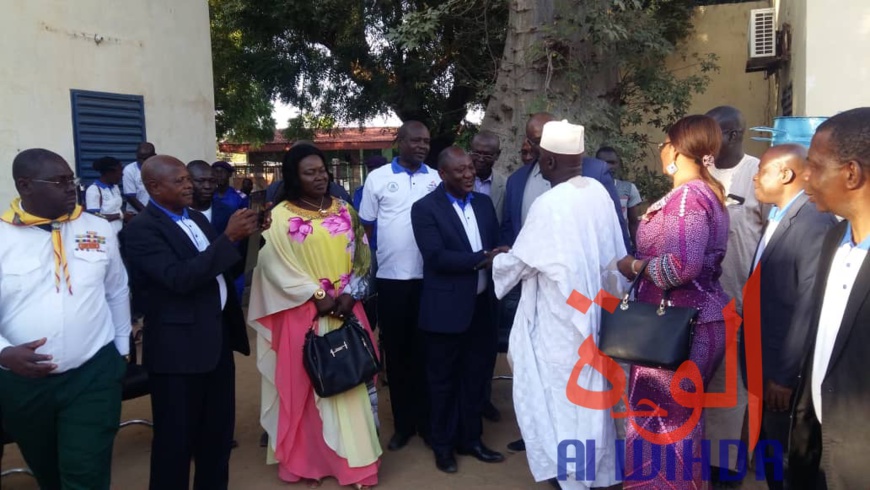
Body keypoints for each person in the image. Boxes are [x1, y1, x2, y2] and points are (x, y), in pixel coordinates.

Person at [493, 120, 626, 489]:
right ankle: (600, 472)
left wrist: (496, 261)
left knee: (562, 399)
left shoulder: (548, 204)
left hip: (561, 323)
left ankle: (571, 476)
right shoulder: (598, 192)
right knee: (594, 396)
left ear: (547, 161)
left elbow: (519, 263)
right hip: (598, 315)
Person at [248, 143, 381, 489]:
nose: (320, 177)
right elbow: (272, 266)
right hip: (303, 314)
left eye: (322, 170)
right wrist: (317, 294)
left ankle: (355, 466)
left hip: (348, 311)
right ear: (294, 176)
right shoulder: (278, 218)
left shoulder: (345, 210)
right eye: (310, 172)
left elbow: (364, 257)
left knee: (351, 382)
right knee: (309, 388)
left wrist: (352, 292)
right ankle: (309, 462)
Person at [124, 155, 260, 490]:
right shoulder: (141, 230)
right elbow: (178, 279)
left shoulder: (197, 219)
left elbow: (220, 268)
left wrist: (247, 237)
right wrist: (228, 239)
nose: (189, 186)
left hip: (215, 343)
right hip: (178, 354)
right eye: (180, 180)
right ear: (154, 187)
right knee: (175, 444)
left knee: (216, 440)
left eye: (189, 179)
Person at [0, 149, 130, 490]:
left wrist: (119, 351)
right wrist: (3, 353)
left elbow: (117, 290)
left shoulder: (98, 227)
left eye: (71, 179)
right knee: (48, 471)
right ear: (25, 185)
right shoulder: (2, 236)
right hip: (23, 384)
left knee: (85, 473)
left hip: (93, 374)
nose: (71, 187)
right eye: (59, 182)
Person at [616, 114, 730, 486]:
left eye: (665, 142)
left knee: (662, 423)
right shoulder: (707, 193)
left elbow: (682, 266)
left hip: (675, 328)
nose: (662, 149)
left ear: (676, 150)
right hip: (695, 321)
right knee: (679, 420)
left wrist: (633, 265)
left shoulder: (686, 199)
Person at [746, 144, 837, 490]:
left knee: (789, 464)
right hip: (764, 362)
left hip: (784, 377)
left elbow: (808, 304)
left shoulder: (812, 222)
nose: (754, 177)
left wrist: (784, 376)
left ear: (785, 174)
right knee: (772, 452)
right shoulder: (779, 215)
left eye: (762, 171)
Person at [789, 107, 870, 490]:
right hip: (817, 451)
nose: (806, 176)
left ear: (851, 174)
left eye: (815, 166)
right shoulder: (834, 241)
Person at [411, 147, 505, 473]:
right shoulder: (424, 209)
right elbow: (436, 257)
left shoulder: (482, 203)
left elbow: (495, 244)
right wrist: (484, 256)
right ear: (442, 175)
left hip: (481, 307)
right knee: (443, 382)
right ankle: (443, 446)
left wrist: (497, 255)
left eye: (470, 169)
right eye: (460, 171)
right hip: (445, 311)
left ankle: (472, 440)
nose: (469, 175)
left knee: (475, 378)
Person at [359, 120, 441, 451]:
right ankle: (404, 424)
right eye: (416, 141)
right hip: (391, 280)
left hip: (430, 280)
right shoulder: (378, 178)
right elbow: (365, 229)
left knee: (426, 352)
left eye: (427, 141)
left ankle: (426, 422)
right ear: (400, 141)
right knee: (396, 352)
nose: (422, 146)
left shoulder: (435, 178)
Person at [703, 105, 764, 477]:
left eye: (715, 134)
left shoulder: (758, 174)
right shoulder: (701, 173)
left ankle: (727, 465)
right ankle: (706, 458)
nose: (708, 144)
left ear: (735, 135)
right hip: (701, 303)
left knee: (737, 387)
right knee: (706, 384)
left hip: (743, 302)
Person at [596, 146, 642, 248]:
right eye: (604, 162)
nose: (608, 166)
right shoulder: (588, 190)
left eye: (612, 162)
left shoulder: (628, 188)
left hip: (623, 247)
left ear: (618, 164)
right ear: (596, 164)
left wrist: (638, 249)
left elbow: (633, 223)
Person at [188, 160, 236, 234]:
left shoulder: (227, 212)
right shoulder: (175, 213)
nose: (207, 186)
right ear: (187, 182)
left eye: (212, 181)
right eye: (200, 181)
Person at [470, 131, 507, 225]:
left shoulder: (506, 185)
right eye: (477, 153)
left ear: (497, 155)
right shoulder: (457, 181)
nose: (481, 159)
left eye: (487, 155)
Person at [85, 156, 126, 234]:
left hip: (118, 232)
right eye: (119, 172)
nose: (122, 175)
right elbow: (94, 216)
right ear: (109, 173)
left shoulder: (115, 187)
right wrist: (120, 216)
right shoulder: (94, 190)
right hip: (104, 234)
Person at [122, 141, 156, 215]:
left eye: (145, 158)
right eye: (140, 158)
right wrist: (148, 214)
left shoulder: (159, 169)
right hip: (137, 214)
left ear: (154, 156)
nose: (142, 161)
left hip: (156, 214)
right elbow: (130, 197)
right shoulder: (129, 170)